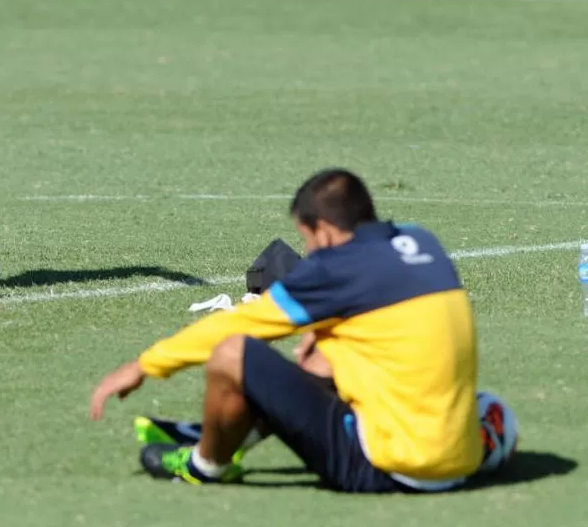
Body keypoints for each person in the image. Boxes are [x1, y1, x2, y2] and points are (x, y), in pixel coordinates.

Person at [90, 169, 484, 492]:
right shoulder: (420, 240)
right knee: (331, 348)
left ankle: (205, 464)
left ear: (325, 231)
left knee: (234, 352)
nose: (308, 251)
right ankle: (240, 427)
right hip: (462, 459)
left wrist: (145, 365)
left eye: (306, 238)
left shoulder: (335, 267)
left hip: (383, 467)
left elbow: (240, 323)